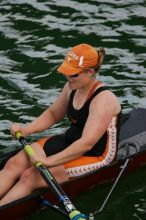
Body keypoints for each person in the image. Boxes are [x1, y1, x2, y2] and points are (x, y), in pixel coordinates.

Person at [0, 43, 121, 206]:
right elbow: (53, 114)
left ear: (90, 72)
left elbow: (86, 144)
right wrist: (26, 129)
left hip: (95, 154)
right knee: (14, 163)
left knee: (31, 176)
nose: (68, 78)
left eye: (73, 74)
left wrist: (48, 162)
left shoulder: (103, 99)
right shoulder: (71, 87)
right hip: (70, 141)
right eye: (67, 73)